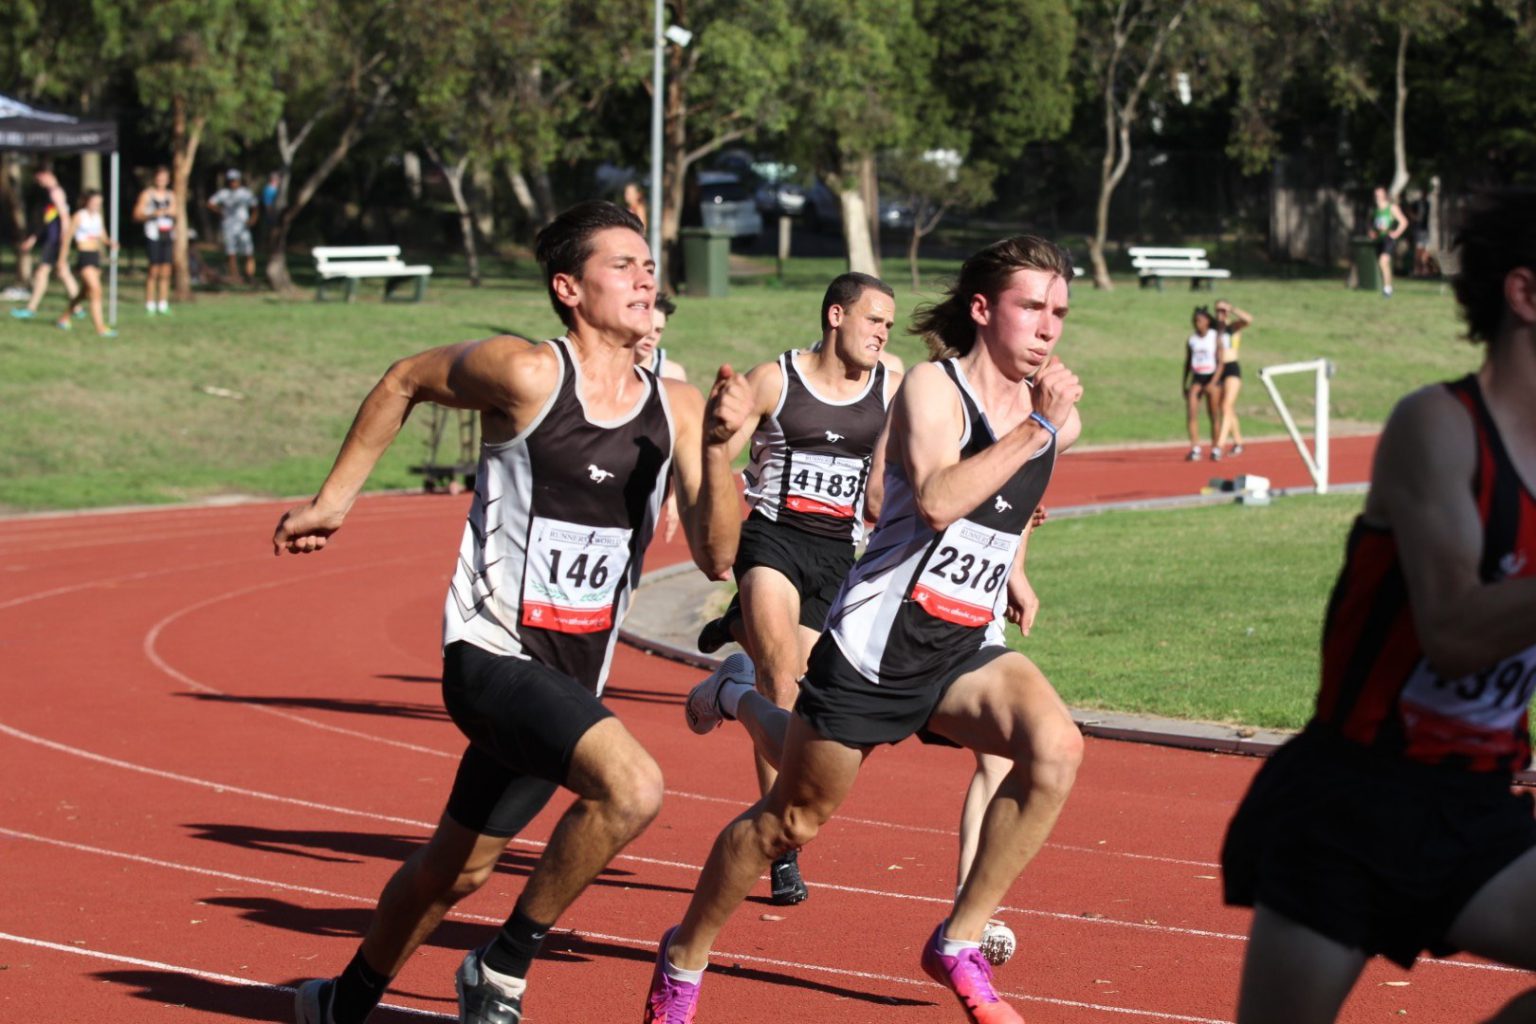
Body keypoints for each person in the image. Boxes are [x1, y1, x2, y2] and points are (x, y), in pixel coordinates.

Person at [274, 200, 749, 1024]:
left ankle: (339, 1005)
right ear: (569, 288)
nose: (646, 278)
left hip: (570, 678)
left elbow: (715, 556)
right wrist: (333, 502)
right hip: (490, 656)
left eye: (649, 265)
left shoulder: (671, 407)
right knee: (634, 788)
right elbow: (404, 378)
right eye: (623, 265)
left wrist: (715, 447)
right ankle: (502, 966)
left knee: (454, 870)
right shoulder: (528, 373)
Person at [646, 235, 1085, 1024]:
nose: (1049, 328)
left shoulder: (1055, 419)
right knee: (789, 819)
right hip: (878, 646)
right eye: (1031, 308)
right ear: (984, 311)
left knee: (1056, 750)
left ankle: (959, 939)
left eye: (1059, 312)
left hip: (965, 644)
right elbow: (943, 497)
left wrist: (1017, 566)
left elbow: (1013, 505)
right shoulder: (932, 388)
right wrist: (1037, 432)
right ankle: (682, 959)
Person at [1221, 189, 1536, 1024]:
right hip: (1356, 805)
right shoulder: (1439, 426)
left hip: (1476, 804)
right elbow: (1457, 632)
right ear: (1526, 295)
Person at [682, 271, 900, 905]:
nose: (883, 333)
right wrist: (718, 442)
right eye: (873, 320)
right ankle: (780, 844)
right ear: (836, 316)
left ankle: (729, 683)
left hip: (838, 552)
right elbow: (720, 454)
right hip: (773, 539)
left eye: (888, 324)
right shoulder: (776, 380)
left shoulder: (894, 383)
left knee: (808, 698)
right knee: (780, 678)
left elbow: (899, 475)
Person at [10, 162, 80, 321]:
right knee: (63, 272)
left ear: (46, 175)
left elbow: (64, 217)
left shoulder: (56, 192)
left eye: (39, 179)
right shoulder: (50, 193)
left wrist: (65, 239)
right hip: (52, 238)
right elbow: (47, 220)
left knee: (42, 273)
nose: (38, 182)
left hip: (55, 240)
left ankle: (31, 308)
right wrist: (33, 239)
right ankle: (77, 307)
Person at [59, 191, 118, 338]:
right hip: (84, 256)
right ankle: (100, 328)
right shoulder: (79, 216)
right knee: (96, 291)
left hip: (95, 256)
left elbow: (102, 235)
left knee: (84, 293)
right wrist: (61, 260)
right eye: (95, 202)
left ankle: (64, 318)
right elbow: (67, 239)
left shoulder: (97, 217)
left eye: (99, 203)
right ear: (87, 201)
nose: (97, 205)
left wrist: (110, 243)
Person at [1213, 300, 1254, 459]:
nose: (1220, 313)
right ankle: (1238, 442)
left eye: (1223, 311)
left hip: (1231, 368)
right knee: (1226, 408)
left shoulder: (1233, 327)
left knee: (1226, 405)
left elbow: (1249, 319)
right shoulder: (1215, 329)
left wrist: (1232, 308)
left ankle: (1219, 445)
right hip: (1218, 370)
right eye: (1218, 310)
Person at [133, 166, 176, 315]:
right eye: (159, 178)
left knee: (166, 271)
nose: (161, 181)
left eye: (164, 178)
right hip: (153, 235)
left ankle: (163, 303)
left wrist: (171, 213)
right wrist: (153, 214)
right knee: (154, 270)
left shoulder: (171, 195)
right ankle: (150, 303)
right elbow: (137, 214)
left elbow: (176, 213)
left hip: (167, 235)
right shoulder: (147, 195)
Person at [1183, 306, 1221, 461]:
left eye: (1199, 320)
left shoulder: (1214, 337)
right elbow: (1187, 362)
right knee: (1192, 413)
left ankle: (1216, 447)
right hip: (1197, 377)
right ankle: (1195, 447)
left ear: (1206, 321)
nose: (1196, 324)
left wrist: (1213, 382)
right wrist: (1184, 383)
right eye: (1194, 321)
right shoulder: (1192, 340)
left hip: (1211, 377)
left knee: (1213, 414)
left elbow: (1221, 362)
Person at [208, 169, 258, 285]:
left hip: (243, 227)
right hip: (228, 227)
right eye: (231, 180)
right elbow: (210, 203)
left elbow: (255, 206)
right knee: (231, 253)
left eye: (235, 180)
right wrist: (220, 211)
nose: (233, 182)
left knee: (249, 252)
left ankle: (250, 276)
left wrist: (253, 219)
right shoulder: (223, 193)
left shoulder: (245, 193)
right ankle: (235, 277)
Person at [633, 294, 688, 382]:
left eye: (658, 330)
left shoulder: (672, 375)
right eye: (647, 327)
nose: (652, 336)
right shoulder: (608, 367)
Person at [1368, 186, 1408, 298]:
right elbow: (1373, 226)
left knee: (1383, 262)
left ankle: (1387, 290)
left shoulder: (1392, 208)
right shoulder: (1375, 210)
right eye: (1376, 195)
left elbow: (1404, 222)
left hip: (1388, 239)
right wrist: (1372, 232)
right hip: (1379, 240)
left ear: (1384, 195)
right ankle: (1386, 287)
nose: (1377, 197)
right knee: (1382, 265)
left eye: (1380, 194)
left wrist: (1396, 233)